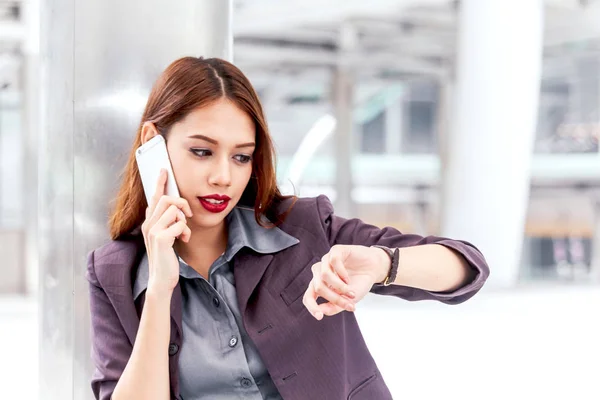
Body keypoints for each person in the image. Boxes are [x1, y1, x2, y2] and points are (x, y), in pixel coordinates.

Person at [87, 56, 490, 400]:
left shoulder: (304, 228)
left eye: (241, 157)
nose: (223, 177)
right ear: (152, 143)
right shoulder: (114, 274)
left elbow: (467, 268)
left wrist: (382, 263)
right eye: (201, 152)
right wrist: (159, 288)